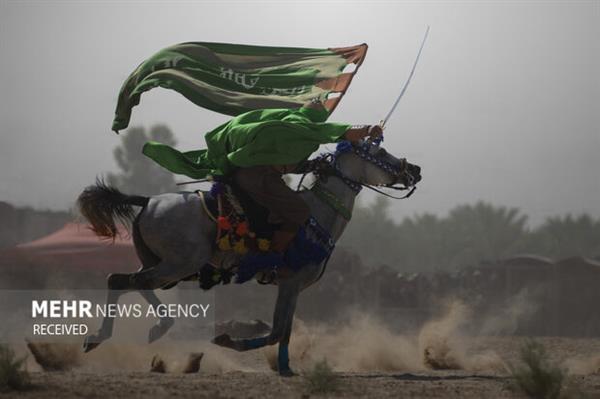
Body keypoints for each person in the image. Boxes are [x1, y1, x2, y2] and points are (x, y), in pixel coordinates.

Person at [143, 99, 382, 260]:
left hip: (244, 172)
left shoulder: (283, 123)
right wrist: (369, 129)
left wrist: (308, 165)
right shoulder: (304, 127)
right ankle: (274, 258)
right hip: (258, 177)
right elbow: (340, 131)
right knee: (299, 210)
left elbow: (285, 160)